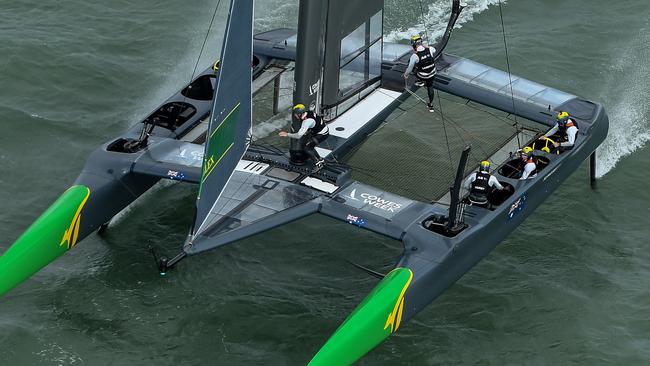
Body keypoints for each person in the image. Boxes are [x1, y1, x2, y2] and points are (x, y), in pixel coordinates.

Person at [279, 104, 329, 168]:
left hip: (322, 134)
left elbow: (298, 136)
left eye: (295, 114)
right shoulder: (308, 113)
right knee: (310, 145)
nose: (294, 115)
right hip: (321, 130)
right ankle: (320, 160)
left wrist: (287, 134)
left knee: (307, 148)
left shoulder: (306, 121)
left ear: (300, 114)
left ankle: (318, 164)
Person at [403, 35, 437, 113]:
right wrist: (425, 46)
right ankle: (431, 104)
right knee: (430, 87)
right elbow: (434, 50)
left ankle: (420, 81)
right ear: (421, 42)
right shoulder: (430, 49)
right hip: (433, 73)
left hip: (423, 75)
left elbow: (410, 68)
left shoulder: (414, 56)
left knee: (413, 67)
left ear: (414, 44)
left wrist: (406, 74)